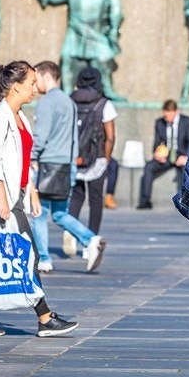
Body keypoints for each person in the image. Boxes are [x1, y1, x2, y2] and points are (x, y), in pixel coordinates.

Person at [0, 61, 78, 339]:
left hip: (17, 195)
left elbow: (24, 161)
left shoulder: (20, 116)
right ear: (15, 86)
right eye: (30, 83)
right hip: (1, 198)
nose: (35, 87)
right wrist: (2, 200)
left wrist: (33, 191)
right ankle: (45, 318)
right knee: (29, 255)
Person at [29, 60, 106, 273]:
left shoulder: (46, 102)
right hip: (66, 164)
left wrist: (31, 157)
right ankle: (91, 239)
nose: (34, 86)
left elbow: (40, 136)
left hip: (48, 165)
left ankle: (44, 259)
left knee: (39, 212)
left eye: (36, 79)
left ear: (46, 76)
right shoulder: (68, 101)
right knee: (61, 213)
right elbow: (74, 137)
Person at [23, 0, 125, 101]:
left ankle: (108, 89)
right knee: (68, 60)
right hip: (76, 30)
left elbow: (116, 7)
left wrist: (113, 29)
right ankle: (66, 91)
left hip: (97, 32)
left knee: (103, 60)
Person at [65, 67, 115, 252]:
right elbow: (110, 136)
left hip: (75, 157)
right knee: (95, 201)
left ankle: (70, 231)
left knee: (76, 197)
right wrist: (106, 159)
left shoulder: (70, 100)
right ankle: (90, 242)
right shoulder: (104, 104)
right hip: (96, 158)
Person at [137, 100, 189, 210]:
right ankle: (145, 201)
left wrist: (187, 157)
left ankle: (188, 201)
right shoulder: (160, 123)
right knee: (149, 167)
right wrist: (157, 153)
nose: (166, 118)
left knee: (188, 169)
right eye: (165, 115)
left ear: (176, 111)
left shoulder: (187, 121)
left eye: (169, 115)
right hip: (166, 155)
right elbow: (156, 143)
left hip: (181, 155)